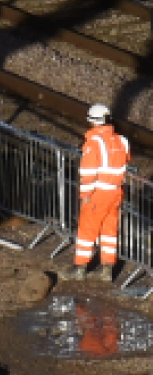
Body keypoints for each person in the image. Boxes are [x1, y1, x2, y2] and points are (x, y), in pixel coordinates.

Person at [74, 104, 129, 282]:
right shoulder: (122, 141)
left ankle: (80, 269)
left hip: (98, 193)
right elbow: (125, 161)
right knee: (109, 231)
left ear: (92, 121)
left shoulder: (93, 142)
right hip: (116, 193)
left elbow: (88, 172)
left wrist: (85, 195)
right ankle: (107, 270)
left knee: (87, 231)